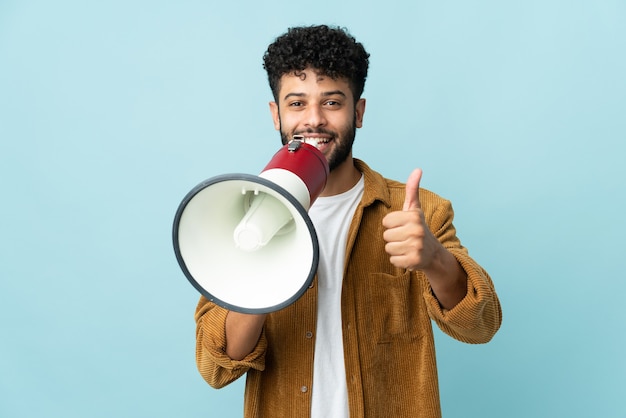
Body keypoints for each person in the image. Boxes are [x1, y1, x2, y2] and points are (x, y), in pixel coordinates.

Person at [194, 24, 502, 418]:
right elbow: (215, 366)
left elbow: (481, 325)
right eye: (297, 104)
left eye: (333, 103)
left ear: (358, 112)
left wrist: (435, 259)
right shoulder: (239, 217)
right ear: (276, 115)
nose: (314, 120)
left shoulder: (418, 212)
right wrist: (260, 264)